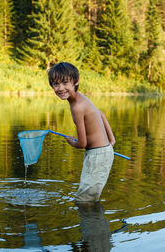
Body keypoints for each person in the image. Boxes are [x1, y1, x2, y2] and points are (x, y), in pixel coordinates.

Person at [48, 62, 116, 202]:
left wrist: (72, 142)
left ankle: (93, 223)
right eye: (55, 84)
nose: (60, 88)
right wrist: (112, 140)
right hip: (99, 153)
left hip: (98, 156)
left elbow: (82, 142)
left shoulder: (77, 107)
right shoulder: (81, 99)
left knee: (85, 199)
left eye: (65, 82)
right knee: (86, 195)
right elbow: (101, 114)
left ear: (76, 81)